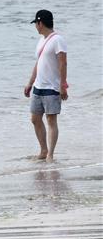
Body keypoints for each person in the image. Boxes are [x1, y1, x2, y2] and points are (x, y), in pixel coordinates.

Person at [24, 9, 67, 162]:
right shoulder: (41, 40)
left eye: (36, 23)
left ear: (40, 23)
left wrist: (63, 85)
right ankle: (43, 150)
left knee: (51, 120)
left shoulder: (58, 40)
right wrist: (30, 82)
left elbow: (63, 63)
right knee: (35, 119)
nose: (35, 26)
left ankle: (50, 154)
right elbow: (39, 63)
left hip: (51, 87)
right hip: (38, 86)